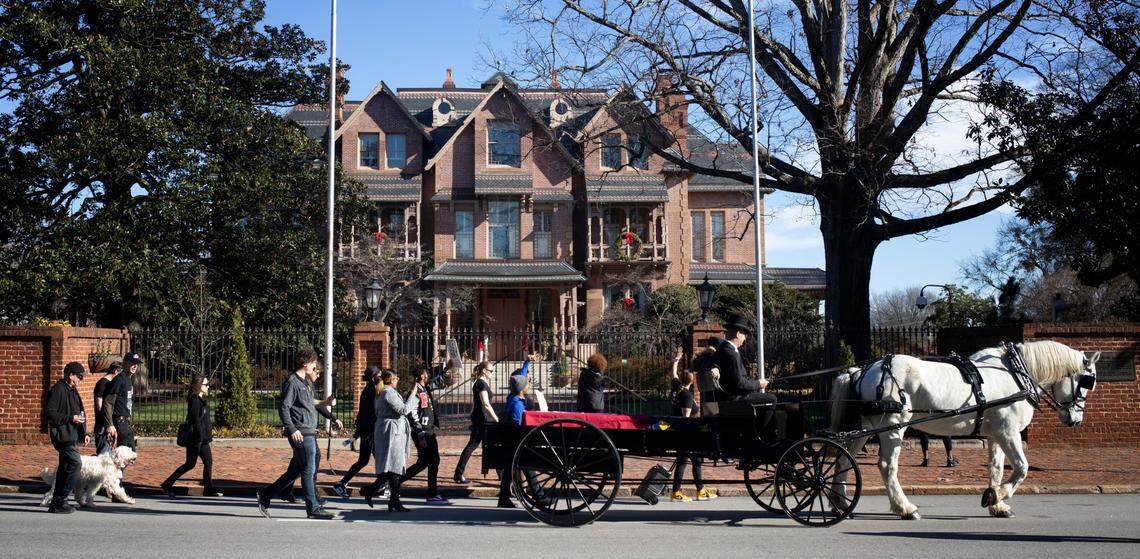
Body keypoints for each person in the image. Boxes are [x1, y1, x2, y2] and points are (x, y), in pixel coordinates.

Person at [257, 349, 342, 520]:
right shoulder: (292, 382)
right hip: (301, 432)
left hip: (309, 431)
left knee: (296, 471)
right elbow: (284, 407)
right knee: (308, 470)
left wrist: (326, 405)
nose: (314, 366)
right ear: (305, 364)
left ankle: (266, 494)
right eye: (313, 363)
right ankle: (313, 508)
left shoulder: (306, 383)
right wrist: (292, 429)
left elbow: (310, 403)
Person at [361, 369, 418, 512]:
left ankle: (391, 499)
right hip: (391, 433)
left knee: (393, 468)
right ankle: (382, 495)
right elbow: (403, 410)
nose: (398, 379)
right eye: (396, 377)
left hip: (391, 431)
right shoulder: (387, 392)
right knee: (395, 467)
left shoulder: (387, 392)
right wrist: (412, 395)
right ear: (390, 380)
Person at [160, 375, 221, 498]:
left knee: (205, 462)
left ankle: (208, 489)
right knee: (190, 464)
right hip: (197, 438)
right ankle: (167, 484)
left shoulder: (201, 399)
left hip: (202, 438)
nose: (208, 386)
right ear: (199, 386)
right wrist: (199, 438)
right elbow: (195, 421)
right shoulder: (194, 400)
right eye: (206, 384)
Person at [44, 362, 91, 513]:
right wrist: (71, 418)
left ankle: (56, 503)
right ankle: (61, 499)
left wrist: (85, 433)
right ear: (71, 375)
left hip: (72, 434)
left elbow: (79, 412)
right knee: (75, 463)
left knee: (65, 468)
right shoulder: (58, 389)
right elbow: (50, 413)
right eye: (79, 376)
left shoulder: (72, 390)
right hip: (62, 436)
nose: (81, 380)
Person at [712, 317, 777, 424]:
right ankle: (761, 434)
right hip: (735, 399)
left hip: (727, 398)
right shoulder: (731, 353)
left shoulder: (721, 349)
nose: (744, 339)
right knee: (772, 399)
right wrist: (758, 384)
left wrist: (714, 367)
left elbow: (713, 363)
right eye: (744, 335)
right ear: (738, 334)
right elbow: (739, 383)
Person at [332, 366, 382, 500]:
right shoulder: (372, 391)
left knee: (366, 460)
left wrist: (357, 433)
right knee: (376, 460)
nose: (381, 377)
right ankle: (384, 485)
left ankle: (342, 483)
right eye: (379, 375)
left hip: (367, 431)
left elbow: (361, 414)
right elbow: (370, 413)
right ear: (373, 377)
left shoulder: (369, 390)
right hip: (370, 431)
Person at [401, 365, 448, 503]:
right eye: (426, 373)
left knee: (423, 463)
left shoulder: (424, 388)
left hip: (428, 430)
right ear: (422, 376)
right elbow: (412, 414)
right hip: (424, 432)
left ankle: (394, 483)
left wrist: (447, 369)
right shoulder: (415, 391)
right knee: (433, 461)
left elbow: (436, 382)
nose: (428, 374)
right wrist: (420, 434)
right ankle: (432, 493)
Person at [668, 367, 716, 501]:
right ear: (692, 380)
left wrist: (675, 363)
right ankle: (678, 492)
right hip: (686, 434)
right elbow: (686, 419)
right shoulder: (687, 396)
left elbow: (673, 374)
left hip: (679, 432)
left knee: (693, 461)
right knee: (686, 461)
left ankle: (699, 490)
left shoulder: (677, 388)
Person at [453, 361, 498, 484]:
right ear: (484, 370)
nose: (492, 373)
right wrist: (496, 419)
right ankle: (458, 474)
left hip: (480, 418)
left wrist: (472, 414)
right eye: (491, 371)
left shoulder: (480, 383)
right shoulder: (481, 384)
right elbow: (486, 404)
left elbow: (476, 402)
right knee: (473, 446)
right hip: (482, 419)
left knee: (489, 446)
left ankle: (501, 474)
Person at [102, 352, 143, 451]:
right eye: (132, 363)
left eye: (136, 364)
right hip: (119, 422)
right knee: (121, 456)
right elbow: (108, 402)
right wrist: (110, 425)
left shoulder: (128, 379)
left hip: (126, 423)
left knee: (131, 454)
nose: (135, 366)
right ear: (124, 363)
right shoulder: (118, 380)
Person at [92, 363, 121, 455]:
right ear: (116, 371)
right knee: (103, 455)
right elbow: (100, 407)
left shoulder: (110, 384)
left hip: (109, 424)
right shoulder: (102, 384)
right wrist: (108, 424)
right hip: (102, 425)